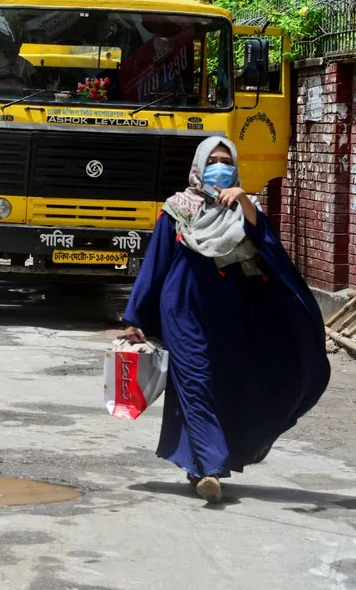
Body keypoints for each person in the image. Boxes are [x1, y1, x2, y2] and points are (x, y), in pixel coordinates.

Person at [122, 136, 330, 504]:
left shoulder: (245, 209)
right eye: (213, 160)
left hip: (230, 314)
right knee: (196, 381)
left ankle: (197, 464)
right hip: (183, 308)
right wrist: (136, 315)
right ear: (199, 166)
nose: (220, 166)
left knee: (222, 384)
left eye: (226, 160)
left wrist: (244, 199)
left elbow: (267, 245)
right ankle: (211, 470)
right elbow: (156, 263)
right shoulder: (178, 209)